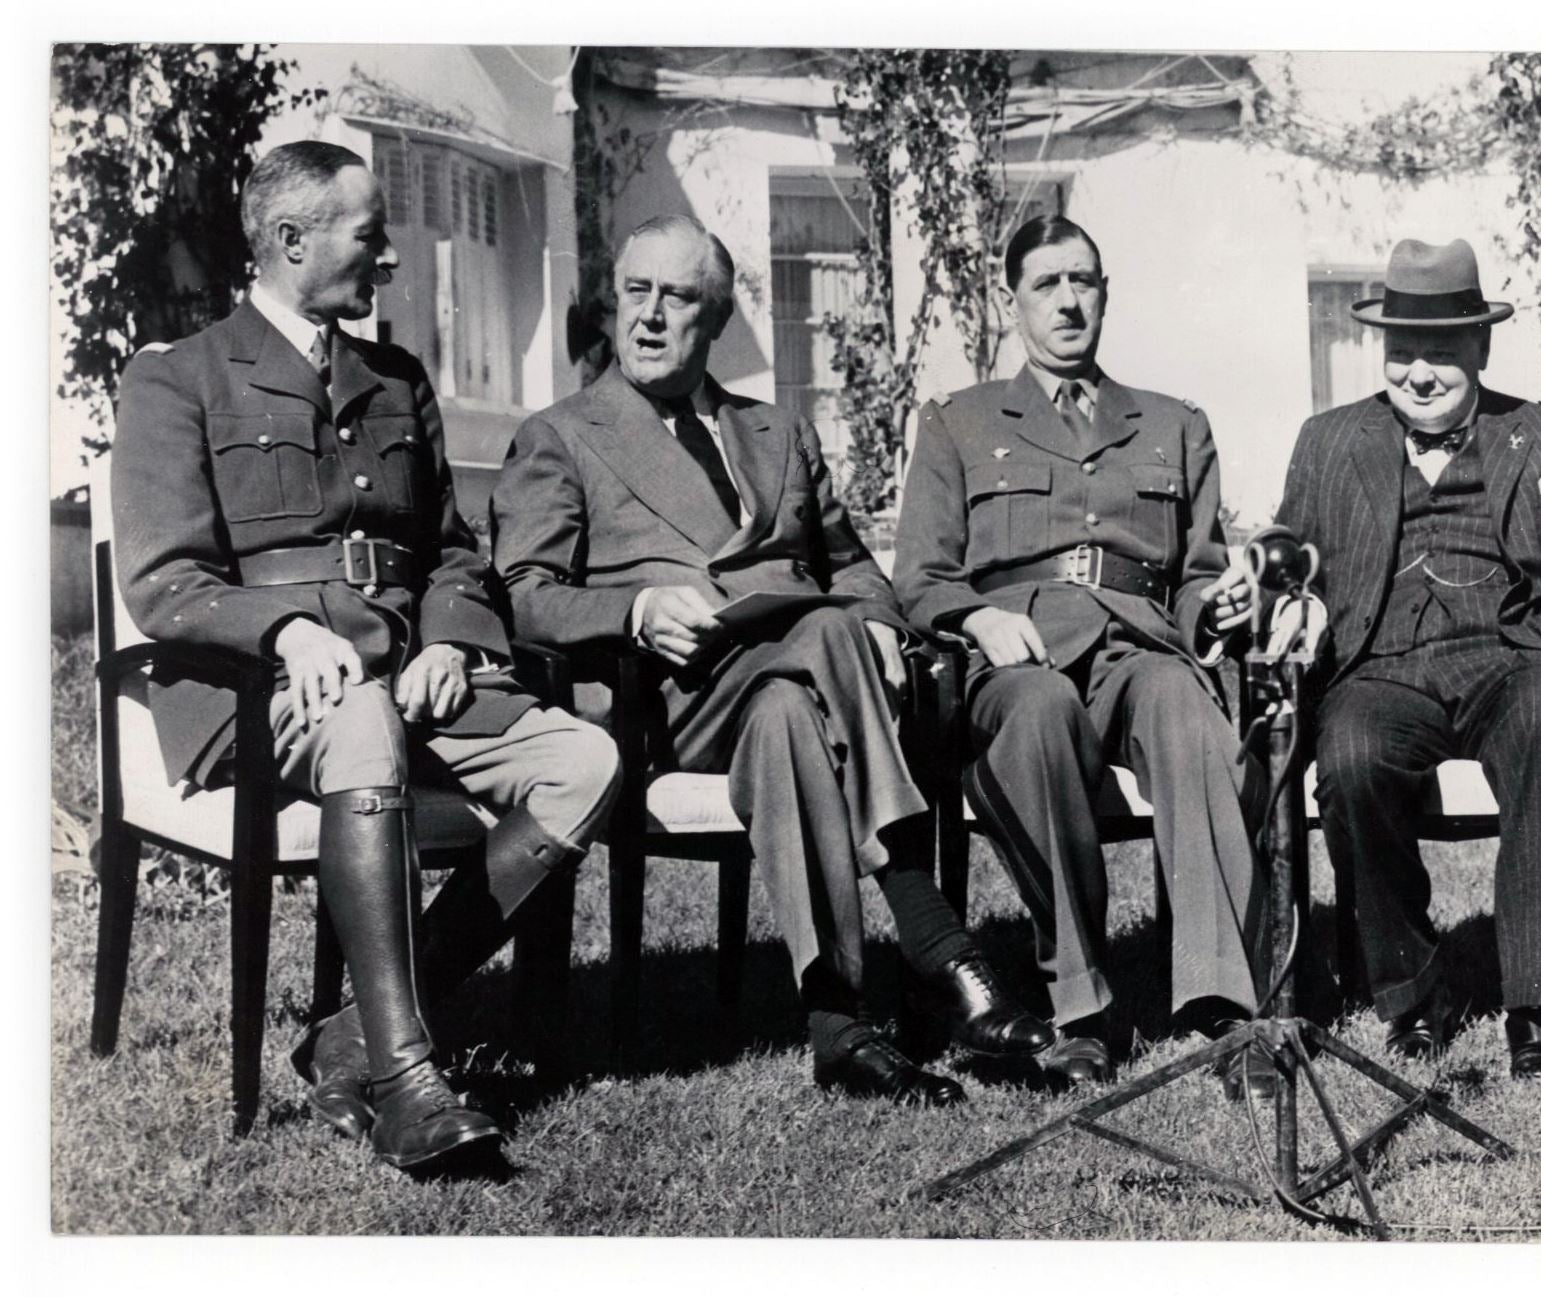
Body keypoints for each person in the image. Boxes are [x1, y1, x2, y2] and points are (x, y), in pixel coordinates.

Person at [112, 141, 622, 1171]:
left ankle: (350, 1034)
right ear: (292, 241)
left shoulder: (394, 380)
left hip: (401, 674)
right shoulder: (180, 379)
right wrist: (289, 630)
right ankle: (406, 1083)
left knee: (586, 761)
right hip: (258, 692)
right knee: (360, 717)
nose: (388, 258)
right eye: (371, 234)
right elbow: (163, 582)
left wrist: (450, 639)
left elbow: (451, 551)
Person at [490, 214, 1052, 1107]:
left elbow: (853, 567)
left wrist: (874, 621)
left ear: (715, 319)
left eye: (676, 298)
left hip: (792, 691)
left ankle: (840, 1029)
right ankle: (942, 947)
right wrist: (631, 609)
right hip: (669, 695)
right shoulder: (562, 434)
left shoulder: (773, 429)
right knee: (823, 640)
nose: (647, 316)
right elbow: (522, 592)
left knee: (800, 695)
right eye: (635, 292)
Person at [892, 215, 1270, 1095]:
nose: (1068, 301)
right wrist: (975, 619)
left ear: (1105, 293)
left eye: (1084, 282)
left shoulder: (1172, 423)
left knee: (1184, 703)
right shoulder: (957, 421)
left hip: (1136, 646)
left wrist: (1215, 608)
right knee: (1037, 712)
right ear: (1011, 300)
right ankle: (1080, 1005)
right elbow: (919, 576)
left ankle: (1224, 1003)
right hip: (1013, 651)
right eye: (1047, 284)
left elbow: (1193, 575)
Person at [1275, 237, 1541, 1078]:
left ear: (1481, 350)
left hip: (1513, 655)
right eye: (1401, 352)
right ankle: (1414, 997)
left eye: (1441, 354)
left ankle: (1536, 1005)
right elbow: (1285, 559)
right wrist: (1286, 601)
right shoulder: (1327, 442)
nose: (1418, 373)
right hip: (1380, 663)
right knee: (1347, 755)